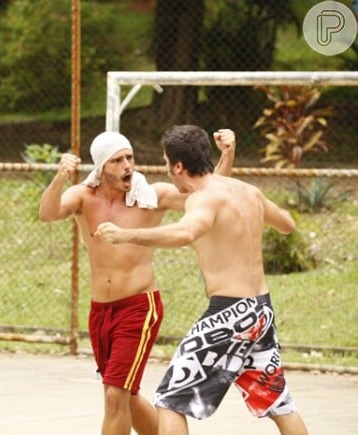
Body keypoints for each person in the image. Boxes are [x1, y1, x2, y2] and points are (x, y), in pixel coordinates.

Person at [95, 124, 308, 435]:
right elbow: (287, 224)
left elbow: (185, 232)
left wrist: (124, 235)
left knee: (169, 401)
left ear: (178, 166)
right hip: (261, 311)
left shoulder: (203, 199)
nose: (166, 169)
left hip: (229, 314)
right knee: (279, 403)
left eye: (167, 162)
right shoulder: (247, 191)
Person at [39, 128, 235, 435]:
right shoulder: (82, 197)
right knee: (125, 397)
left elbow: (208, 194)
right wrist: (60, 176)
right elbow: (47, 213)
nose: (128, 166)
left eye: (130, 157)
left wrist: (227, 155)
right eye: (117, 160)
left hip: (139, 308)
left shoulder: (151, 196)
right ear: (102, 167)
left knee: (114, 395)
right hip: (101, 312)